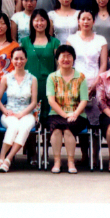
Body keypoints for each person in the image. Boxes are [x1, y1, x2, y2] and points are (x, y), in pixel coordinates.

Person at [0, 47, 37, 172]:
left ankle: (8, 159)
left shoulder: (32, 79)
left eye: (22, 58)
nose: (19, 61)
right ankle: (1, 157)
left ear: (26, 60)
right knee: (14, 126)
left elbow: (33, 102)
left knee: (24, 127)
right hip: (9, 113)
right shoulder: (6, 78)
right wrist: (5, 111)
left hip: (27, 113)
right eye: (16, 58)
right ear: (11, 60)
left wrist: (21, 114)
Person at [46, 44, 89, 174]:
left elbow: (84, 100)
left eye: (69, 56)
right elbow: (51, 101)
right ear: (57, 59)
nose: (66, 59)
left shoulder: (81, 77)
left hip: (78, 114)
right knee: (56, 130)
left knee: (68, 129)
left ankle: (71, 162)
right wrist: (65, 115)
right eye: (62, 56)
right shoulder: (52, 77)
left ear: (74, 59)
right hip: (56, 113)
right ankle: (57, 162)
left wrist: (75, 114)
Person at [67, 10, 108, 126]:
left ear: (93, 22)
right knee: (76, 120)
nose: (86, 22)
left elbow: (103, 64)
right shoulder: (71, 39)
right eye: (83, 19)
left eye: (89, 19)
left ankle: (95, 137)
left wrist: (95, 84)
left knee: (95, 121)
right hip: (75, 83)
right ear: (78, 21)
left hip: (96, 83)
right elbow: (68, 63)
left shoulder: (101, 40)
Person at [20, 8, 59, 122]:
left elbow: (59, 65)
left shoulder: (54, 42)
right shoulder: (25, 42)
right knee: (29, 119)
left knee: (48, 118)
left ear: (47, 22)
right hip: (29, 85)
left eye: (42, 20)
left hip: (48, 84)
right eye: (36, 20)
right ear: (32, 22)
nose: (39, 23)